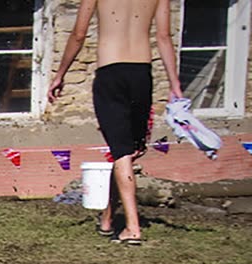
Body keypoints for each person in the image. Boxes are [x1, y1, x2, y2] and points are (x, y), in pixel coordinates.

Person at [47, 0, 183, 245]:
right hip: (141, 74)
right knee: (127, 152)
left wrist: (60, 75)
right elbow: (163, 37)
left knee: (122, 152)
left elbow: (78, 34)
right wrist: (175, 85)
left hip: (111, 73)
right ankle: (108, 218)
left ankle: (132, 228)